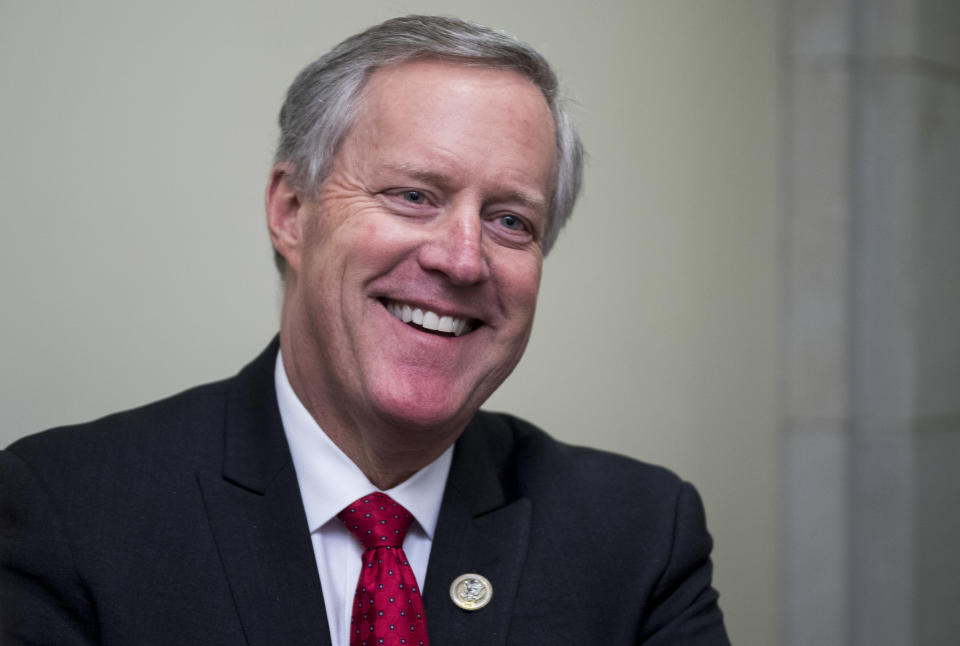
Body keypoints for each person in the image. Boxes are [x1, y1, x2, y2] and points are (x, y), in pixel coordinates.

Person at [0, 15, 730, 646]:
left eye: (510, 220)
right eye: (414, 195)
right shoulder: (69, 508)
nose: (462, 258)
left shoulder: (637, 535)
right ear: (292, 210)